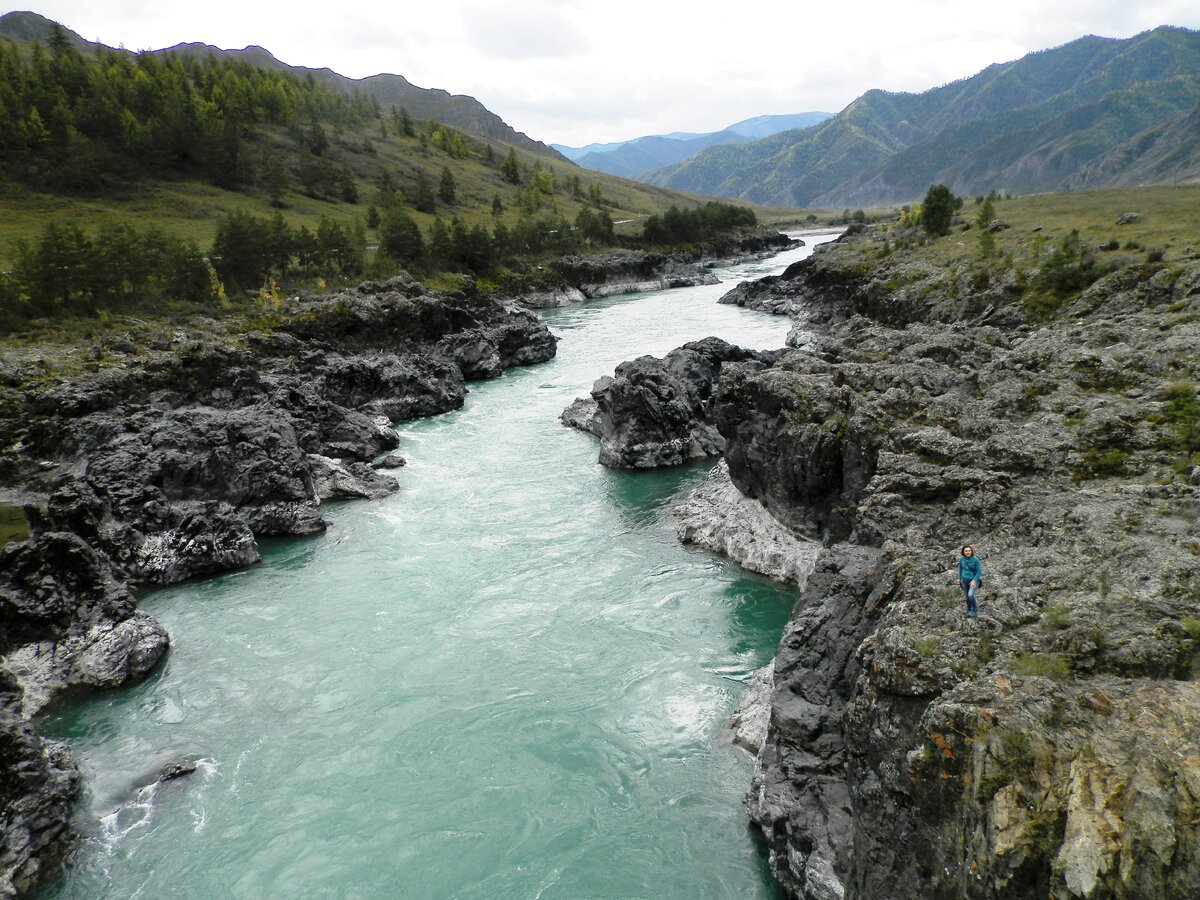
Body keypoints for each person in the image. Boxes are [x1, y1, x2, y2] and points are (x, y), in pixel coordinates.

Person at [958, 546, 983, 617]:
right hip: (964, 581)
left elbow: (979, 572)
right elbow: (960, 569)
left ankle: (974, 610)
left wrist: (974, 580)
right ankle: (969, 609)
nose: (968, 552)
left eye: (969, 550)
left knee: (970, 595)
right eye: (966, 551)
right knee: (966, 597)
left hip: (974, 581)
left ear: (971, 551)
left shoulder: (975, 560)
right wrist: (959, 579)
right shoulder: (961, 559)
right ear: (963, 552)